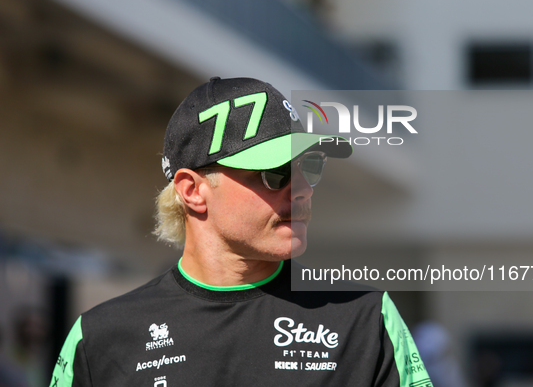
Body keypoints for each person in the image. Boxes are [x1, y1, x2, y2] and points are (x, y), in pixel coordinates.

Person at [49, 77, 431, 386]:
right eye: (275, 172)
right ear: (193, 191)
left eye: (308, 167)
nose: (301, 189)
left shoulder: (365, 319)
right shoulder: (100, 337)